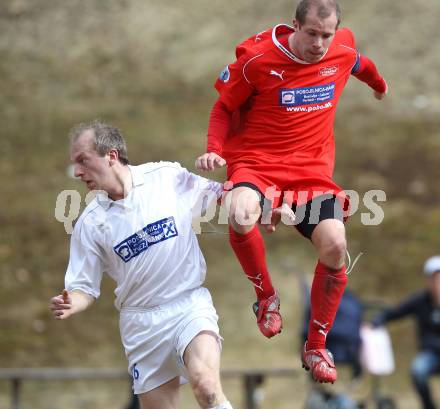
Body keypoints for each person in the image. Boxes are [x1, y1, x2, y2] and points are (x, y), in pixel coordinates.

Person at [195, 0, 388, 383]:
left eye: (326, 35)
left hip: (310, 172)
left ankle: (316, 345)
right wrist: (214, 150)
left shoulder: (342, 50)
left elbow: (362, 65)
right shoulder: (257, 60)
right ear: (295, 26)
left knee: (335, 243)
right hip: (258, 163)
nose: (318, 43)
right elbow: (222, 108)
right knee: (240, 211)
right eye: (312, 33)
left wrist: (380, 86)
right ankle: (266, 297)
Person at [49, 120, 234, 409]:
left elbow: (223, 194)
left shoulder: (165, 178)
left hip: (188, 305)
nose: (77, 172)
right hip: (141, 323)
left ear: (111, 156)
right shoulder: (90, 222)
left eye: (83, 160)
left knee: (207, 388)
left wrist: (266, 206)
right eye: (75, 163)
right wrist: (72, 300)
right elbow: (84, 286)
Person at [371, 256, 440, 409]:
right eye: (434, 278)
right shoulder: (420, 301)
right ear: (428, 280)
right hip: (431, 355)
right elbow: (397, 312)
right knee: (418, 370)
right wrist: (379, 320)